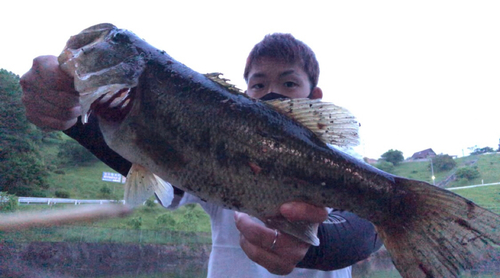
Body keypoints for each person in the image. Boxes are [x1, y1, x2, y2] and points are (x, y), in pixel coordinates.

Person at [21, 33, 382, 278]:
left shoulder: (341, 157)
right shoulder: (214, 146)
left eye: (289, 83)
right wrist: (70, 118)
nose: (272, 93)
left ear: (314, 98)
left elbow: (367, 227)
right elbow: (163, 164)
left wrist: (314, 248)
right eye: (258, 85)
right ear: (243, 95)